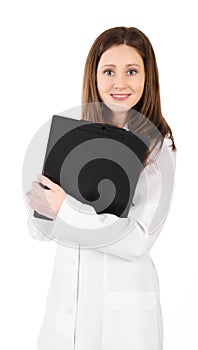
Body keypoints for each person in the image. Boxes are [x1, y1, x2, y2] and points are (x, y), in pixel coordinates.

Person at [27, 26, 176, 350]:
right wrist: (41, 202)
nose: (119, 82)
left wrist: (65, 207)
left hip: (122, 323)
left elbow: (137, 240)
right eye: (109, 71)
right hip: (63, 317)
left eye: (132, 71)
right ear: (93, 75)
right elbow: (39, 229)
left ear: (147, 78)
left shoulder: (158, 150)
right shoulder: (72, 137)